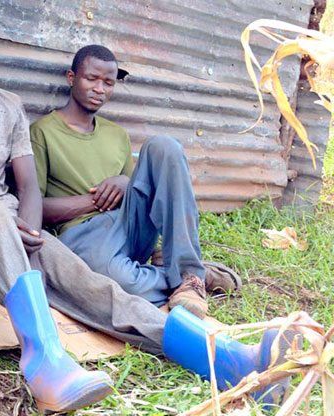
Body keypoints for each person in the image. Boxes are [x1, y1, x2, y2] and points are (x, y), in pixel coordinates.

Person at [0, 8, 295, 409]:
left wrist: (30, 231)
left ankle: (230, 361)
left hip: (11, 226)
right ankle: (45, 362)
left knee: (99, 290)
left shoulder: (9, 105)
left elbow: (26, 187)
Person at [31, 45, 239, 319]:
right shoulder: (43, 131)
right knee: (120, 283)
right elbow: (36, 208)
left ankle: (189, 275)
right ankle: (181, 273)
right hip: (85, 235)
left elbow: (133, 192)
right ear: (71, 78)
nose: (99, 89)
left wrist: (123, 183)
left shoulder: (117, 135)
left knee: (163, 146)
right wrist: (94, 200)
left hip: (130, 227)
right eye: (91, 79)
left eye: (108, 82)